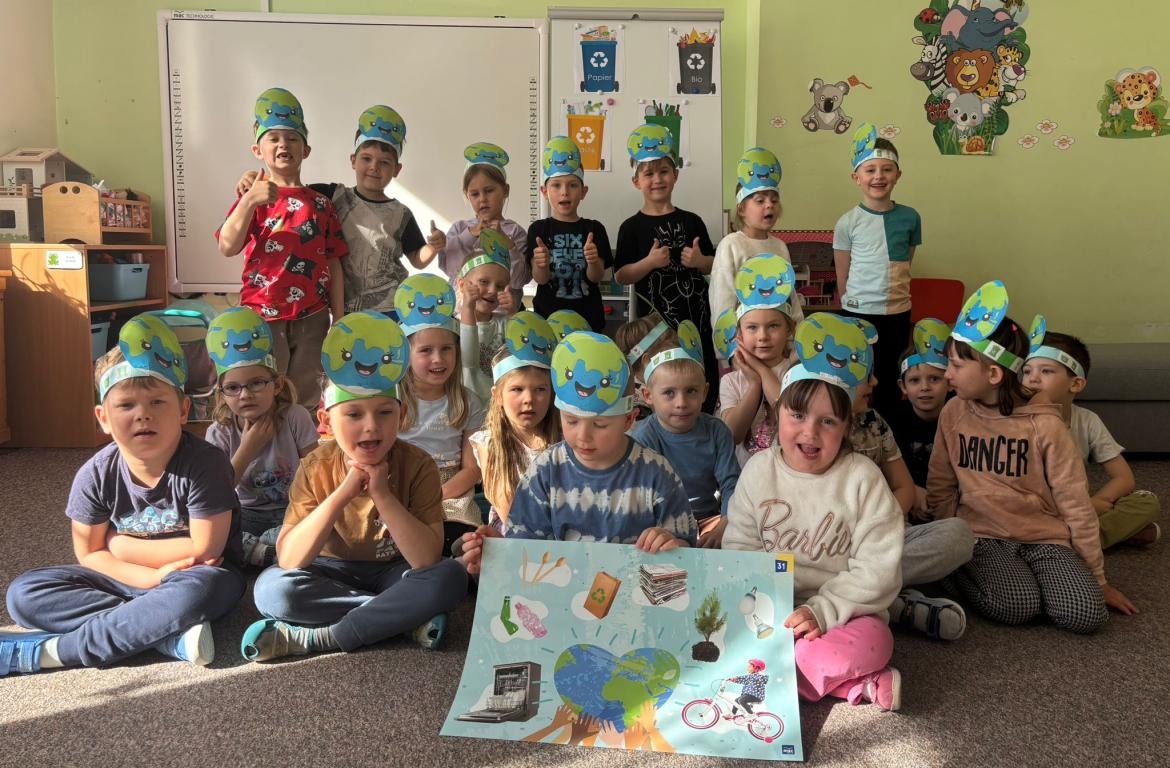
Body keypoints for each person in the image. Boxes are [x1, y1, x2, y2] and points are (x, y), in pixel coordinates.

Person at [1, 316, 245, 675]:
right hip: (126, 580)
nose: (143, 414)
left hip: (195, 578)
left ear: (182, 410)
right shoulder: (95, 474)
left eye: (157, 402)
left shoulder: (205, 463)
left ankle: (53, 652)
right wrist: (151, 578)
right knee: (25, 594)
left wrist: (118, 545)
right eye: (126, 405)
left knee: (203, 590)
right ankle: (163, 635)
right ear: (103, 417)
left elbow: (205, 550)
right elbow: (88, 554)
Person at [241, 312, 467, 661]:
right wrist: (342, 494)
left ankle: (325, 637)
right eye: (354, 415)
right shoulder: (315, 466)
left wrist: (383, 495)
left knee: (450, 576)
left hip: (395, 569)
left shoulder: (418, 464)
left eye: (384, 413)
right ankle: (400, 617)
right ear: (326, 421)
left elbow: (425, 558)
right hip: (329, 569)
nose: (371, 427)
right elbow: (291, 558)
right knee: (272, 590)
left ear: (401, 415)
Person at [927, 282, 1137, 633]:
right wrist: (950, 544)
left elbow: (1075, 502)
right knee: (1018, 606)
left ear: (993, 374)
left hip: (1043, 538)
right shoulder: (953, 412)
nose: (947, 374)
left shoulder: (1046, 425)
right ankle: (958, 574)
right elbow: (941, 482)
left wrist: (1098, 578)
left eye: (955, 365)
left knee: (1086, 614)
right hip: (982, 536)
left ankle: (1035, 582)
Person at [724, 314, 905, 711]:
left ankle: (775, 676)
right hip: (769, 613)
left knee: (876, 641)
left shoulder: (862, 478)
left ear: (847, 427)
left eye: (827, 421)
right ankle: (852, 685)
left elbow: (878, 570)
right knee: (710, 627)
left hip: (842, 615)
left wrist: (821, 611)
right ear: (777, 413)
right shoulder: (758, 470)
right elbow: (739, 550)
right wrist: (765, 613)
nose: (810, 433)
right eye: (798, 416)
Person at [461, 331, 697, 572]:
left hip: (634, 589)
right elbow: (524, 549)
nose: (583, 436)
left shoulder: (656, 473)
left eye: (600, 424)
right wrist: (500, 551)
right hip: (560, 589)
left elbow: (687, 549)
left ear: (629, 420)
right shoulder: (545, 472)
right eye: (571, 421)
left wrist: (672, 544)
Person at [235, 105, 444, 315]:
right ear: (353, 161)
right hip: (345, 306)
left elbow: (417, 259)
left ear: (397, 169)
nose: (374, 167)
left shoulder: (401, 214)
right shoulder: (332, 196)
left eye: (384, 162)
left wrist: (433, 247)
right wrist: (254, 177)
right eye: (366, 159)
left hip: (390, 306)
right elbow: (291, 191)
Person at [216, 87, 347, 413]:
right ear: (257, 150)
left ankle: (301, 445)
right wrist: (249, 200)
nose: (283, 145)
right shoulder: (254, 197)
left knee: (304, 397)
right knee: (261, 396)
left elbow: (334, 261)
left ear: (306, 149)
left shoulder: (322, 204)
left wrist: (339, 316)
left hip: (312, 316)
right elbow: (227, 246)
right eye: (273, 138)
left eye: (292, 138)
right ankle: (261, 443)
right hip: (262, 314)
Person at [847, 321, 973, 641]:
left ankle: (855, 589)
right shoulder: (805, 432)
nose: (875, 382)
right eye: (867, 375)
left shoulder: (875, 423)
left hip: (887, 531)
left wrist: (886, 521)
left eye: (934, 378)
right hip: (833, 542)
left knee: (959, 535)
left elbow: (901, 487)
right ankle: (893, 605)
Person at [1021, 322, 1161, 548]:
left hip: (1075, 501)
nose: (1032, 378)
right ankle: (1096, 538)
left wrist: (1096, 502)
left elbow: (1123, 478)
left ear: (1076, 384)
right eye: (1027, 371)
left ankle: (1070, 541)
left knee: (1146, 501)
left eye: (1046, 371)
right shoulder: (1017, 421)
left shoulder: (1087, 420)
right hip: (1033, 505)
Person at [203, 307, 319, 568]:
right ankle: (272, 552)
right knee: (210, 530)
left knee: (323, 522)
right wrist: (248, 448)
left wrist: (302, 516)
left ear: (276, 385)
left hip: (293, 510)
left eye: (256, 383)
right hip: (246, 514)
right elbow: (216, 494)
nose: (245, 395)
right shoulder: (219, 432)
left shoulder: (295, 417)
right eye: (233, 388)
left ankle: (262, 549)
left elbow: (317, 474)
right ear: (222, 394)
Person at [615, 124, 718, 413]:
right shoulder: (631, 227)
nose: (657, 179)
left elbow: (714, 264)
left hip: (697, 324)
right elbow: (621, 275)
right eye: (649, 174)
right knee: (665, 388)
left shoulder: (692, 221)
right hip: (655, 333)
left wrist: (699, 261)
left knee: (702, 382)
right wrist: (648, 263)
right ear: (636, 181)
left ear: (675, 175)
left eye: (664, 171)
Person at [833, 122, 921, 419]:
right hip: (859, 311)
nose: (878, 176)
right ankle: (854, 423)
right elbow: (842, 273)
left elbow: (905, 262)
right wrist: (849, 306)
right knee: (858, 373)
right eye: (870, 170)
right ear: (856, 177)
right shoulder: (847, 222)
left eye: (886, 169)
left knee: (890, 375)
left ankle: (887, 430)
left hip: (897, 312)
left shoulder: (911, 217)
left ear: (898, 175)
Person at [394, 274, 485, 554]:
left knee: (463, 541)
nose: (438, 358)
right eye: (426, 350)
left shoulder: (468, 402)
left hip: (451, 492)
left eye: (446, 349)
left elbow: (472, 469)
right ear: (406, 354)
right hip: (401, 487)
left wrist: (434, 498)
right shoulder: (393, 401)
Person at [629, 320, 740, 548]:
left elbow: (731, 483)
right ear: (648, 396)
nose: (681, 403)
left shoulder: (717, 431)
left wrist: (725, 524)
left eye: (691, 391)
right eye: (669, 393)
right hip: (660, 523)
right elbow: (640, 499)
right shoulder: (643, 437)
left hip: (709, 519)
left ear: (705, 392)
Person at [470, 312, 562, 533]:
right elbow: (508, 511)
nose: (529, 399)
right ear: (497, 396)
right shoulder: (490, 444)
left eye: (540, 389)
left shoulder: (564, 439)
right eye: (517, 389)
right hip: (513, 537)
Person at [717, 254, 801, 465]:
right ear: (739, 334)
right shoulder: (730, 381)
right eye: (752, 328)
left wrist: (761, 371)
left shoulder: (797, 373)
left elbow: (790, 415)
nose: (763, 336)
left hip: (787, 472)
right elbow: (732, 434)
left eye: (773, 326)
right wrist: (754, 384)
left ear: (790, 329)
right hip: (744, 475)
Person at [528, 136, 612, 332]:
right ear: (544, 191)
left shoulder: (594, 229)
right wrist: (541, 264)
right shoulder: (538, 230)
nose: (564, 192)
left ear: (583, 191)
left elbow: (596, 277)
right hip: (548, 321)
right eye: (556, 185)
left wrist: (592, 261)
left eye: (572, 185)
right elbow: (541, 279)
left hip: (588, 320)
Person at [437, 142, 530, 309]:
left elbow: (519, 280)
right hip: (462, 315)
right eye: (475, 194)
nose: (482, 199)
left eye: (489, 191)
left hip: (501, 315)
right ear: (467, 195)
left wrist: (507, 244)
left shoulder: (515, 232)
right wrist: (469, 235)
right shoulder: (459, 229)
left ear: (505, 190)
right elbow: (451, 269)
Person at [710, 147, 792, 322]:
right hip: (743, 335)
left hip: (775, 333)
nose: (769, 205)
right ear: (741, 209)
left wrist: (797, 331)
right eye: (760, 201)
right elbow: (723, 299)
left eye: (774, 200)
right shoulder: (731, 245)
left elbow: (789, 295)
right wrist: (726, 337)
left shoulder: (780, 247)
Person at [887, 318, 952, 495]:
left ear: (950, 382)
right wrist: (913, 492)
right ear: (903, 386)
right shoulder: (893, 421)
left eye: (934, 379)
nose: (925, 387)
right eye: (915, 380)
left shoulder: (959, 417)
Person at [458, 227, 520, 401]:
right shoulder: (453, 325)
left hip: (497, 404)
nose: (492, 290)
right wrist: (467, 308)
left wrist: (513, 313)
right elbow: (468, 360)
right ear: (462, 285)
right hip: (466, 406)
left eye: (500, 286)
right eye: (484, 282)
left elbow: (521, 350)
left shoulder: (504, 323)